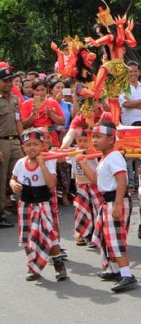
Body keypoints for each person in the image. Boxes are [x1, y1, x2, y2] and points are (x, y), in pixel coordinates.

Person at [78, 121, 137, 293]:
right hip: (108, 201)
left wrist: (118, 203)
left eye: (98, 137)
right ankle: (115, 270)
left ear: (111, 139)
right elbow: (97, 180)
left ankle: (127, 275)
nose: (94, 141)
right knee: (107, 238)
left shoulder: (115, 156)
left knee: (116, 238)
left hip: (115, 201)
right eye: (93, 137)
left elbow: (122, 179)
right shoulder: (104, 157)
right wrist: (83, 164)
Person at [10, 129, 67, 281]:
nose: (32, 148)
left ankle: (58, 264)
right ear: (23, 147)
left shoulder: (48, 161)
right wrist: (14, 184)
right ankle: (32, 267)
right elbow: (13, 178)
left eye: (35, 144)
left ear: (43, 145)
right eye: (28, 145)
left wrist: (42, 165)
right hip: (26, 203)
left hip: (43, 202)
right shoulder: (20, 163)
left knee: (50, 233)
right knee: (28, 236)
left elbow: (51, 184)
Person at [119, 61, 141, 194]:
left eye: (135, 71)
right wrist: (140, 102)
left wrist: (134, 104)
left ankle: (139, 181)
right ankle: (130, 184)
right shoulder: (123, 87)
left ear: (139, 72)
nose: (133, 73)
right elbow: (125, 104)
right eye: (130, 71)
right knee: (128, 156)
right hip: (127, 126)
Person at [0, 66, 24, 227]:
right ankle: (0, 213)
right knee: (1, 179)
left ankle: (26, 206)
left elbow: (18, 121)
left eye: (11, 80)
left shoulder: (15, 98)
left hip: (15, 140)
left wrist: (25, 141)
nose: (9, 83)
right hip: (1, 142)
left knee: (22, 173)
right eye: (5, 81)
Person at [70, 127, 102, 247]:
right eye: (79, 140)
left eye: (85, 140)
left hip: (94, 183)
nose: (82, 143)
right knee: (82, 209)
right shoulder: (73, 152)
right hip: (80, 185)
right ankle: (82, 233)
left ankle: (97, 233)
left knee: (97, 208)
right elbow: (62, 158)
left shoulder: (95, 151)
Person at [21, 79, 66, 147]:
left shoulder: (53, 102)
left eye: (42, 90)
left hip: (50, 135)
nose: (40, 93)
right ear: (33, 91)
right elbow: (24, 124)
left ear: (46, 90)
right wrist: (33, 114)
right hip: (34, 136)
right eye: (37, 90)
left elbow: (62, 122)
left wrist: (51, 114)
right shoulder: (26, 104)